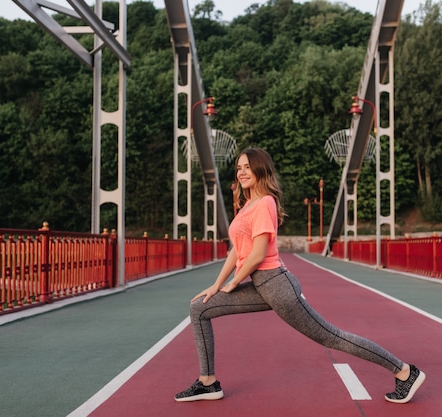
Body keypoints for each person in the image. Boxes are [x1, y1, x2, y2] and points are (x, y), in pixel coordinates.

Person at [174, 147, 425, 404]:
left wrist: (234, 282)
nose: (241, 172)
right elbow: (238, 249)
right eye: (238, 168)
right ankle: (207, 382)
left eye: (247, 167)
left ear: (261, 169)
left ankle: (404, 371)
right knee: (199, 308)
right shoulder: (248, 204)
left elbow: (258, 254)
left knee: (331, 336)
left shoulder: (265, 203)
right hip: (262, 286)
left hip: (277, 287)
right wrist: (216, 285)